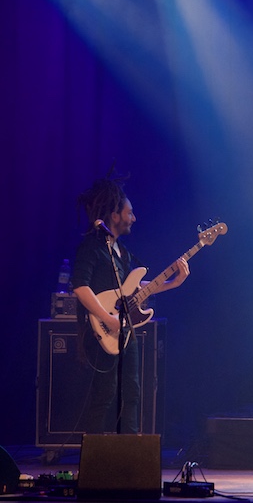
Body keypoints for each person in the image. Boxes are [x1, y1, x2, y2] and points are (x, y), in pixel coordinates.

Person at [72, 176, 189, 433]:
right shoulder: (92, 247)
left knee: (132, 392)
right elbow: (80, 286)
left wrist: (173, 283)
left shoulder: (121, 251)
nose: (134, 218)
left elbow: (135, 288)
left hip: (126, 330)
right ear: (114, 216)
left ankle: (130, 451)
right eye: (129, 213)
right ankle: (94, 452)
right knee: (104, 393)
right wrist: (108, 318)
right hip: (102, 328)